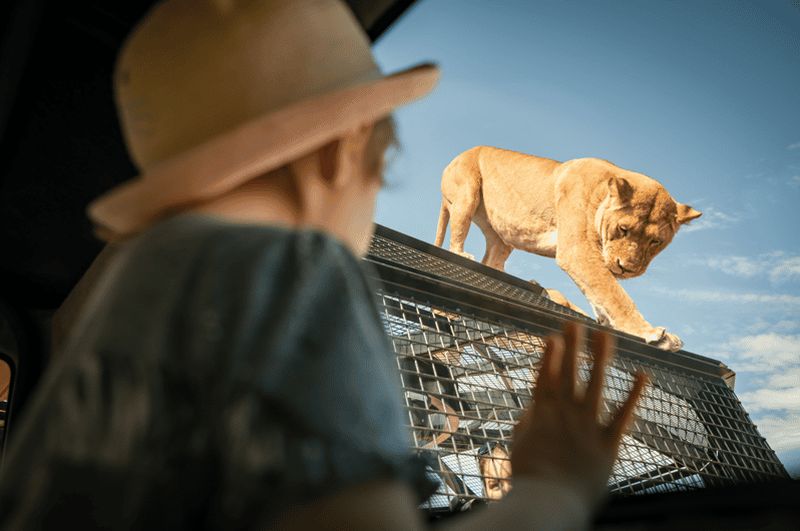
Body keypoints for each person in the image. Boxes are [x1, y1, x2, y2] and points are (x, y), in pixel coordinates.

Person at [0, 0, 647, 529]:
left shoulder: (138, 286)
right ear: (346, 149)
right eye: (384, 170)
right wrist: (554, 490)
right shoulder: (289, 267)